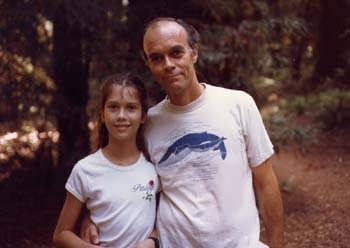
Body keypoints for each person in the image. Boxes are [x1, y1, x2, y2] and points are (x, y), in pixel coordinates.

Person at [83, 17, 283, 248]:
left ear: (193, 53)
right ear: (148, 63)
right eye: (157, 58)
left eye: (176, 53)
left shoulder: (238, 104)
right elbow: (114, 173)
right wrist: (89, 217)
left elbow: (266, 182)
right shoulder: (148, 122)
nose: (168, 64)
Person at [53, 73, 159, 248]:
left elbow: (165, 220)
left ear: (143, 116)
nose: (121, 116)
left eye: (131, 108)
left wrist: (151, 240)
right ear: (102, 114)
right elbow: (61, 235)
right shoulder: (85, 169)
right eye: (113, 107)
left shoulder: (154, 167)